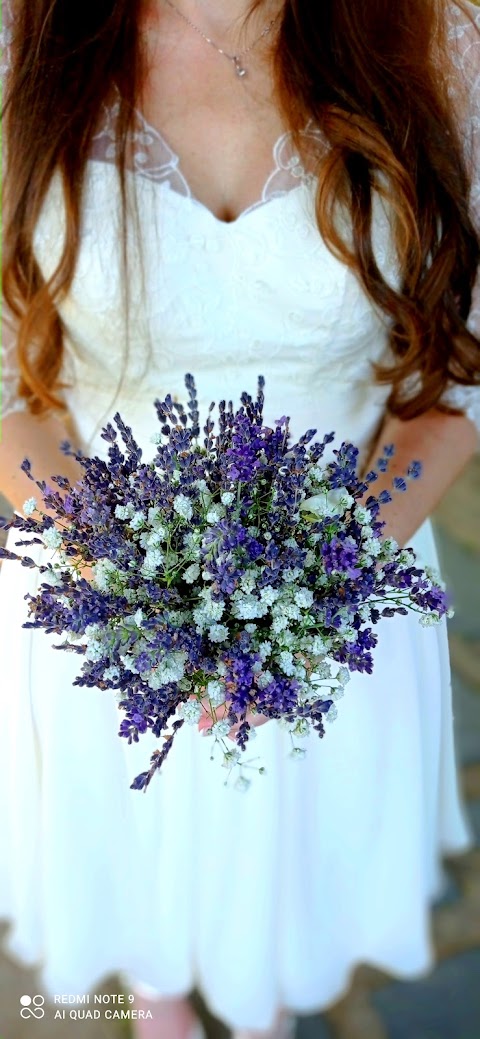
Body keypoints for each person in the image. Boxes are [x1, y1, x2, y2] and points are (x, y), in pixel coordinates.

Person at [0, 1, 479, 1037]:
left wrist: (316, 588)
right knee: (132, 859)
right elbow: (7, 390)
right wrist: (137, 594)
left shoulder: (441, 41)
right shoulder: (19, 44)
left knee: (286, 902)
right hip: (95, 590)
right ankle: (161, 997)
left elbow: (457, 390)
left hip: (351, 586)